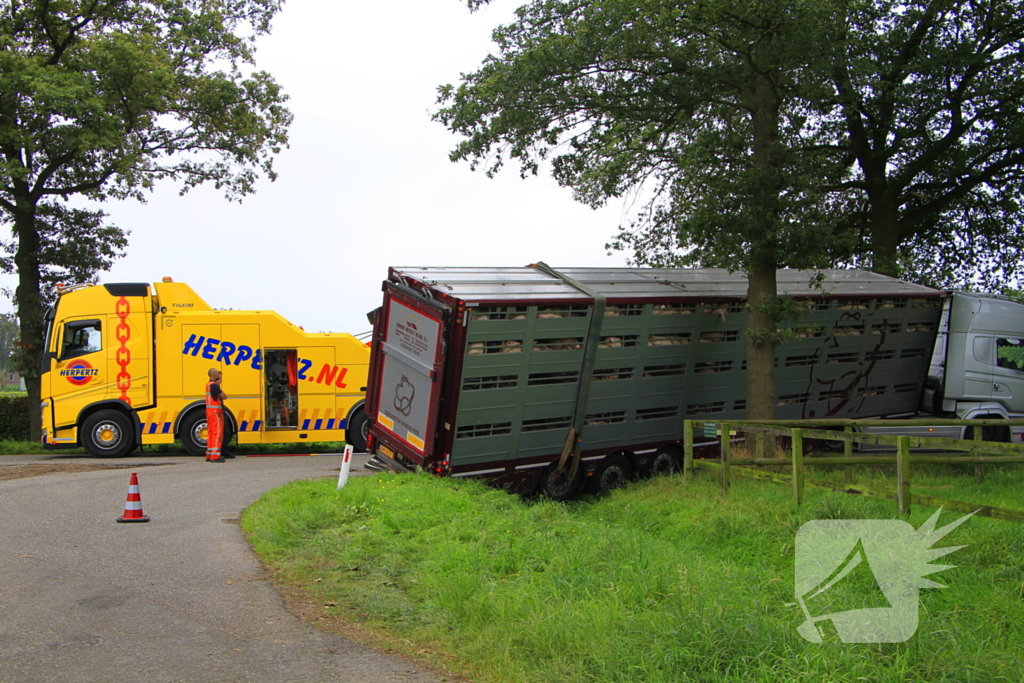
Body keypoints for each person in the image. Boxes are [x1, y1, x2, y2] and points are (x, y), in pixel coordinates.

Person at [205, 368, 229, 462]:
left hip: (210, 412)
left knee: (211, 433)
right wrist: (219, 385)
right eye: (218, 374)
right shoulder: (214, 386)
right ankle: (215, 456)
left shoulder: (208, 385)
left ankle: (209, 455)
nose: (220, 376)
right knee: (217, 434)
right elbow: (224, 396)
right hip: (216, 413)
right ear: (214, 375)